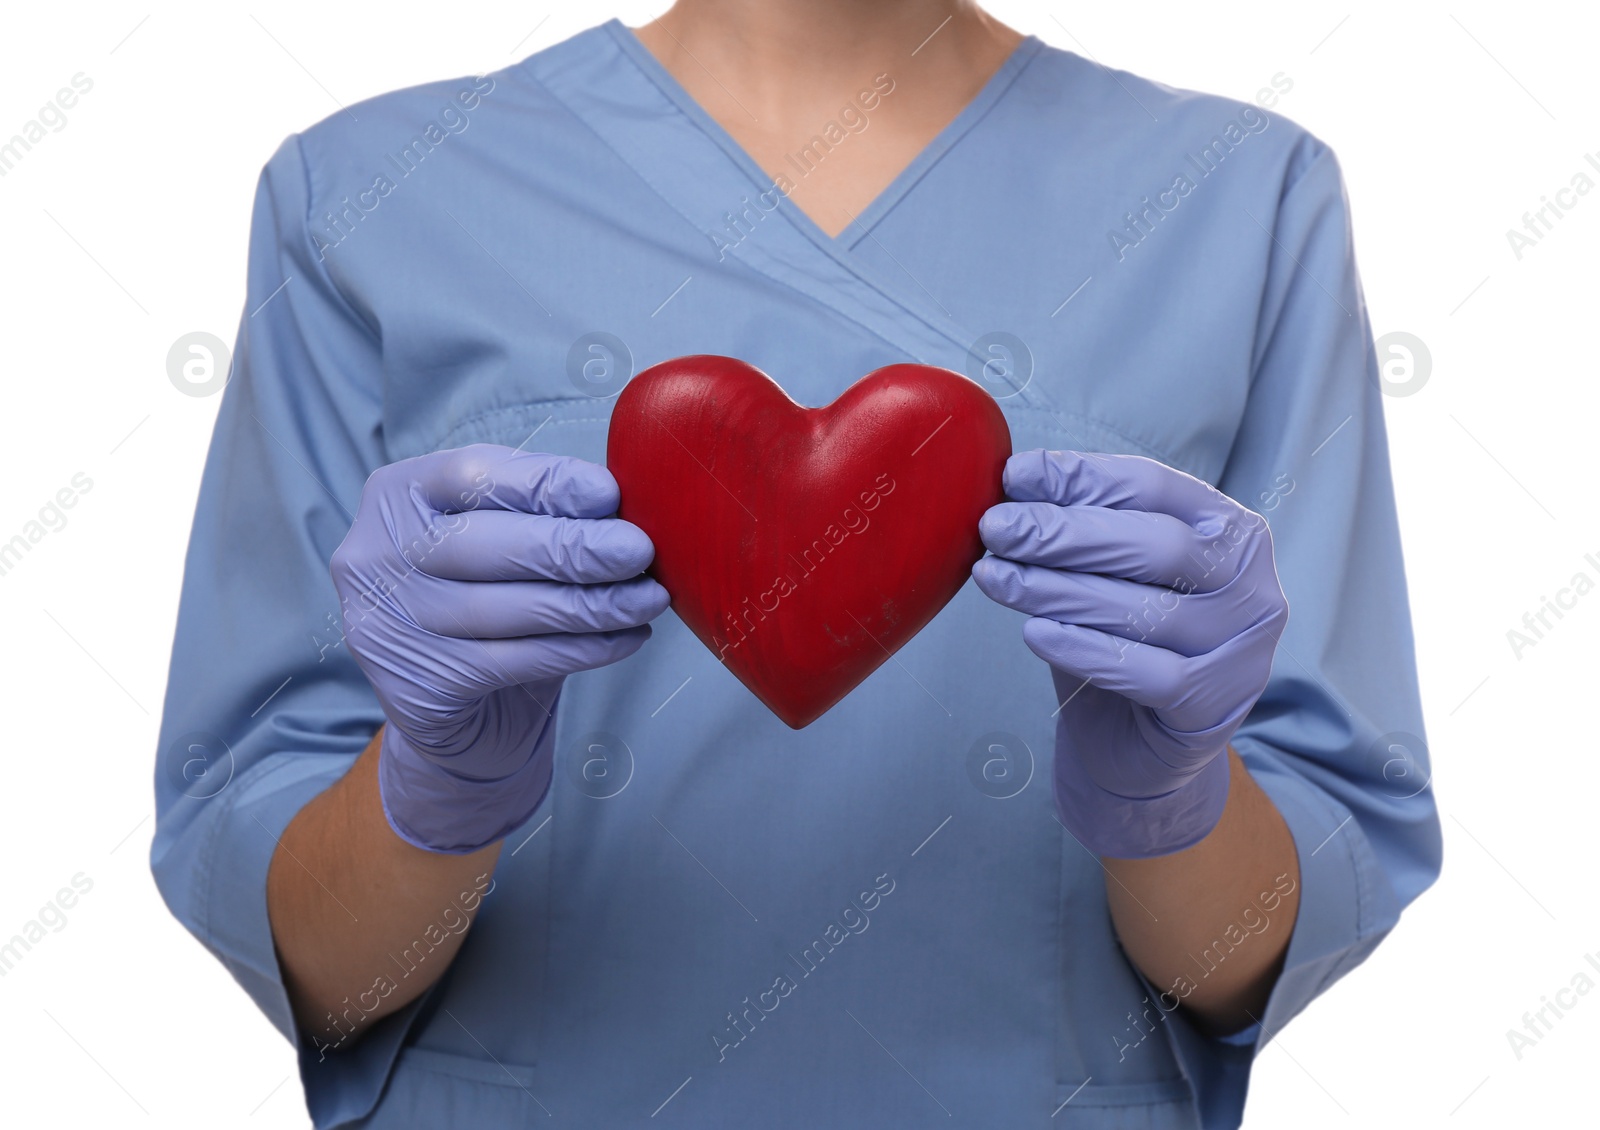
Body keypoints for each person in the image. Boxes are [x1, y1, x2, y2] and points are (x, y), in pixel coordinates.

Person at [151, 2, 1441, 1126]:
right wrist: (428, 792)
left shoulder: (1241, 200)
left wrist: (1173, 800)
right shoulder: (372, 194)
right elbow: (314, 967)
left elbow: (1261, 953)